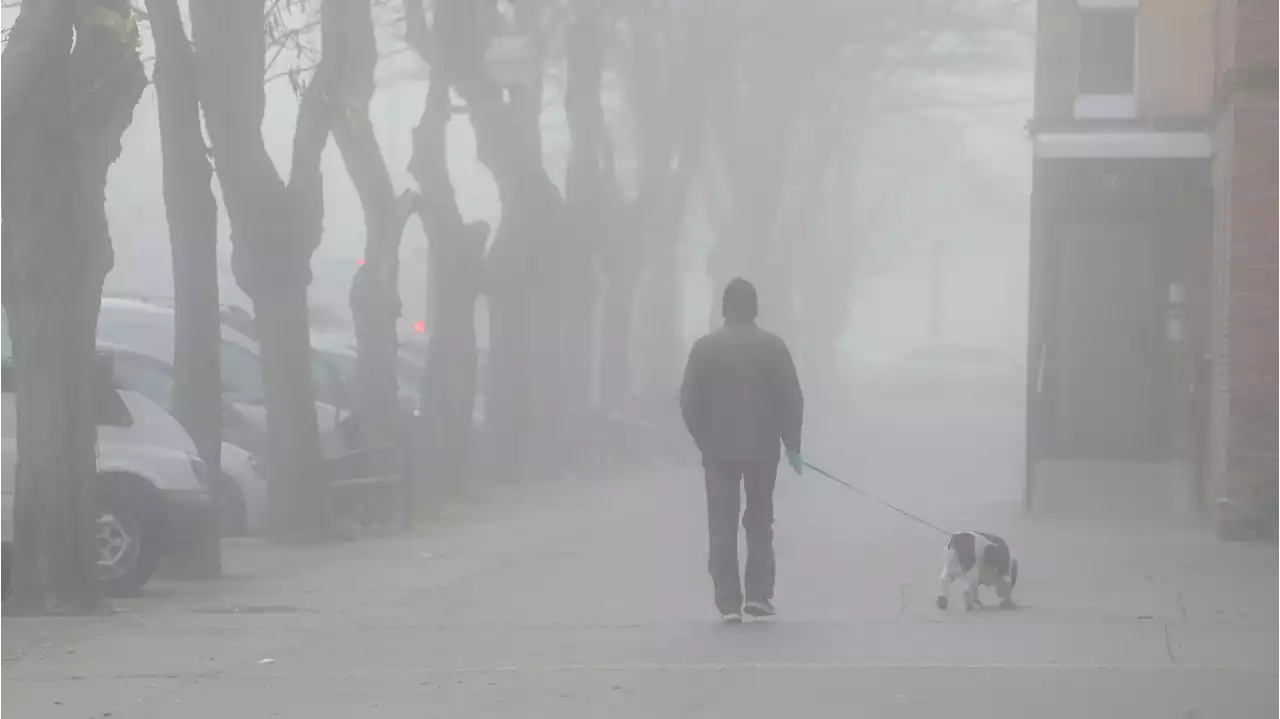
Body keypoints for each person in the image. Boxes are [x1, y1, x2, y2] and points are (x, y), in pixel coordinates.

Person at [680, 278, 804, 623]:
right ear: (754, 308)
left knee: (722, 526)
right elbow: (791, 399)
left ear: (725, 308)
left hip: (718, 452)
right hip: (763, 451)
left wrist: (704, 438)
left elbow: (688, 401)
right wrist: (792, 445)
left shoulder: (705, 348)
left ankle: (728, 602)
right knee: (760, 521)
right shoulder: (773, 347)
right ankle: (759, 595)